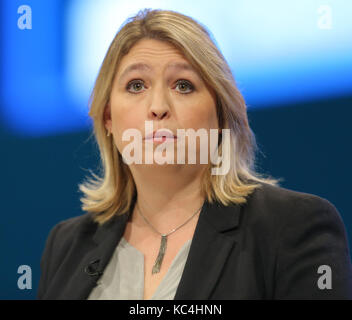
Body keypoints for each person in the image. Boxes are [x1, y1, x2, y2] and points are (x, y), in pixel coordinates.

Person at [37, 8, 352, 300]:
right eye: (136, 85)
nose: (158, 108)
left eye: (183, 85)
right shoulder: (67, 245)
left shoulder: (291, 226)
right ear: (108, 118)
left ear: (221, 114)